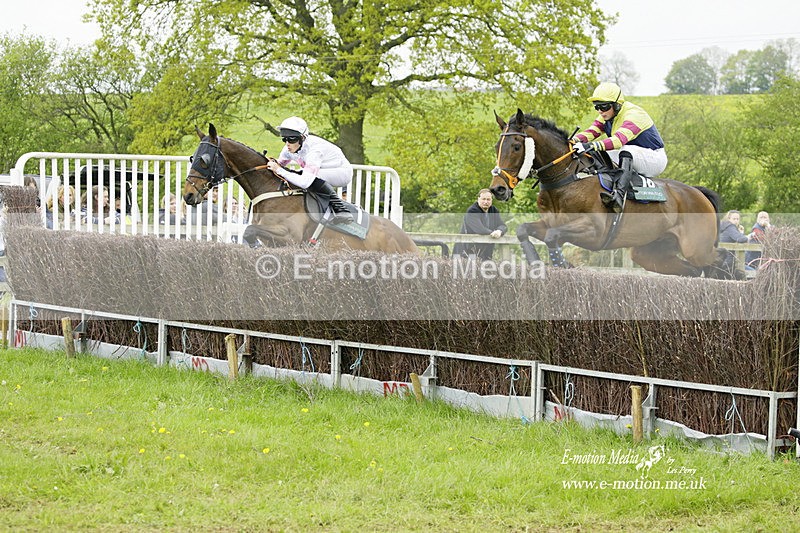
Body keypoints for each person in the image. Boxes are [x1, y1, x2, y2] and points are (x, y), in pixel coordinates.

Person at [572, 81, 667, 213]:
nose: (600, 111)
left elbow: (618, 141)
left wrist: (589, 145)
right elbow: (591, 132)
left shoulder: (634, 114)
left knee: (622, 150)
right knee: (595, 155)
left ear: (616, 105)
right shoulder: (606, 115)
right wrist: (571, 141)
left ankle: (619, 196)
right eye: (597, 107)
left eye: (604, 107)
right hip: (631, 154)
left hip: (654, 158)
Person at [265, 116, 353, 223]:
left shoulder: (315, 151)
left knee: (307, 176)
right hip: (324, 170)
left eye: (292, 139)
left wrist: (279, 170)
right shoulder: (288, 148)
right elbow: (279, 164)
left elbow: (304, 182)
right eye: (285, 139)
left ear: (302, 138)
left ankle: (342, 210)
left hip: (342, 172)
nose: (287, 143)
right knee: (299, 174)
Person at [452, 189, 507, 262]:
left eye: (488, 199)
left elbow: (503, 225)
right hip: (465, 252)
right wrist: (493, 233)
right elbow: (480, 229)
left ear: (491, 200)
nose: (486, 202)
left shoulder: (493, 210)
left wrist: (499, 231)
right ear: (478, 199)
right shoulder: (472, 211)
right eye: (483, 199)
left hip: (485, 253)